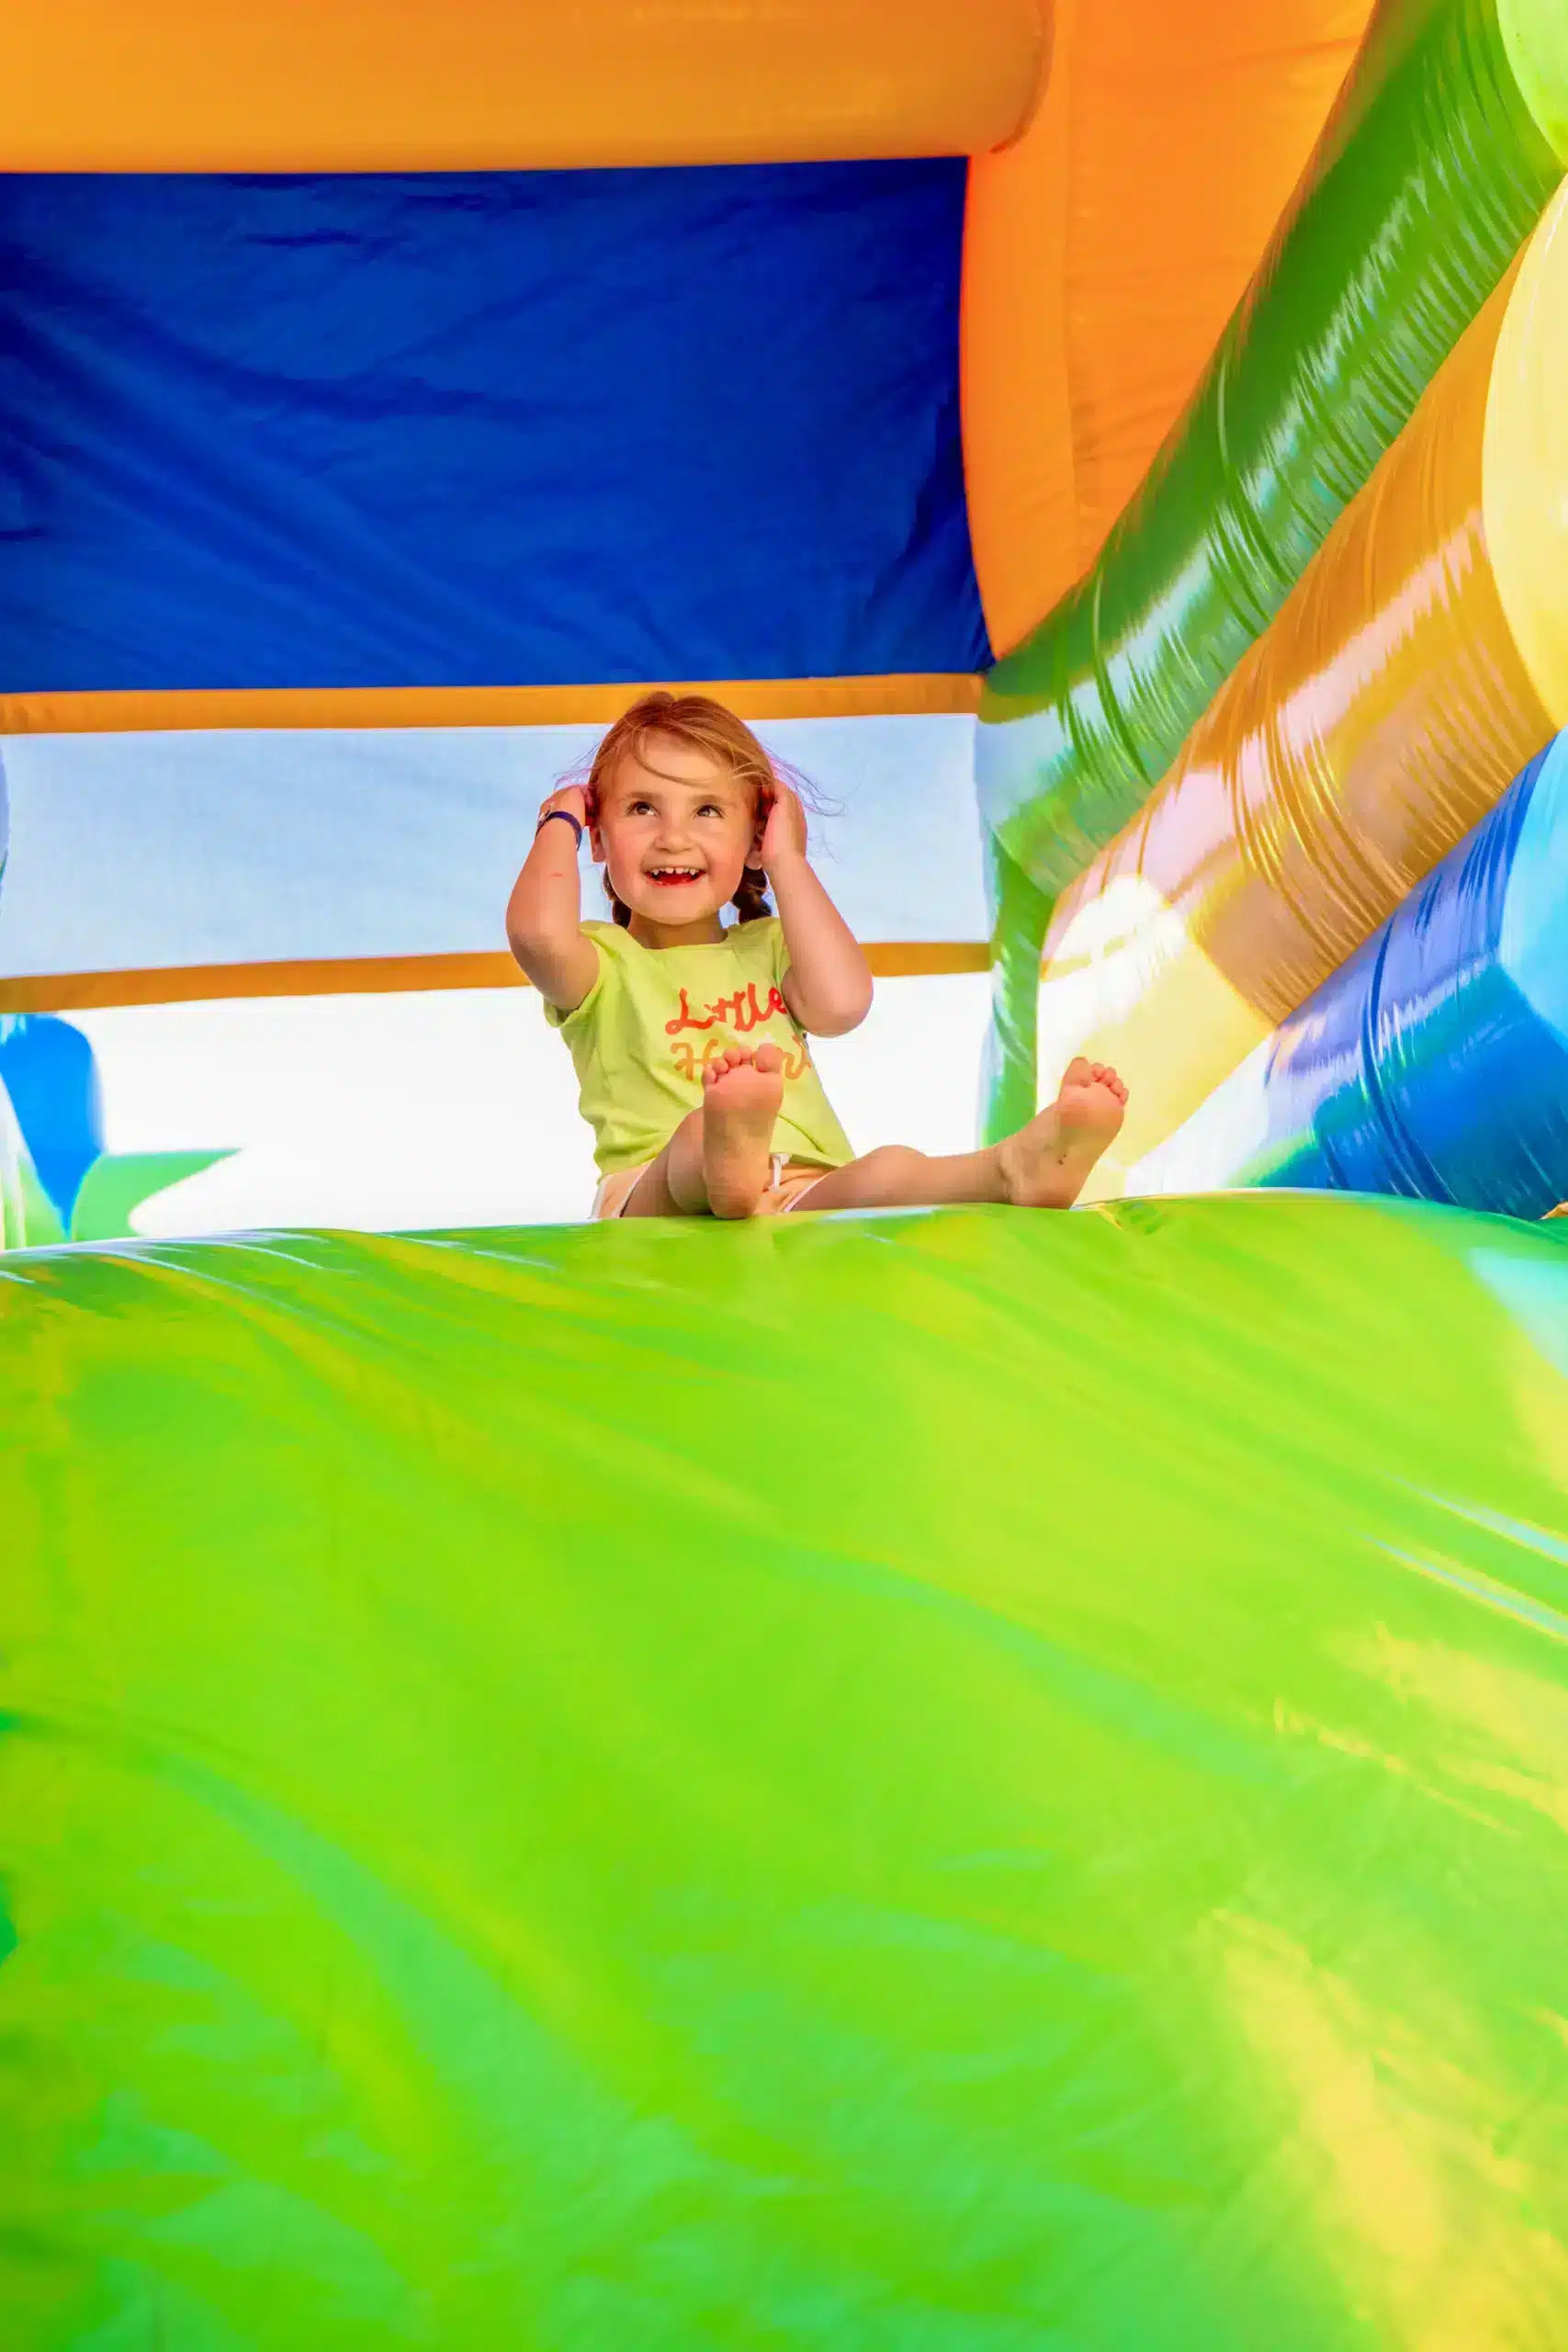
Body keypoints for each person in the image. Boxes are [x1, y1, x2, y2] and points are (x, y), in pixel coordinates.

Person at [506, 691, 1127, 1221]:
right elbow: (536, 935)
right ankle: (726, 1154)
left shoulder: (771, 947)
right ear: (598, 834)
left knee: (888, 1169)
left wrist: (786, 859)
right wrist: (559, 817)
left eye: (707, 811)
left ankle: (1013, 1168)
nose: (673, 836)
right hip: (651, 1198)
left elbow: (842, 1006)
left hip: (795, 1188)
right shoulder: (600, 962)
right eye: (641, 808)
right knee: (697, 1138)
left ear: (753, 838)